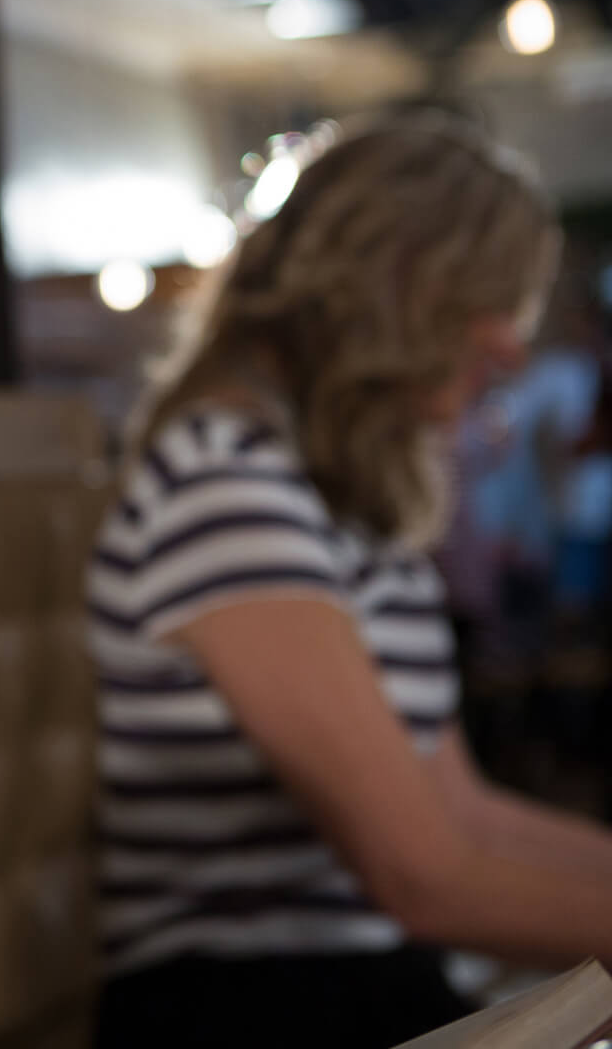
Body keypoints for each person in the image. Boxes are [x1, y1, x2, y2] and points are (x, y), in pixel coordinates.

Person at [87, 114, 612, 1048]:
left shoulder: (335, 501)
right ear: (396, 285)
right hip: (242, 1005)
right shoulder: (225, 483)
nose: (512, 348)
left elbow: (463, 815)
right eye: (493, 297)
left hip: (354, 983)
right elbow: (423, 876)